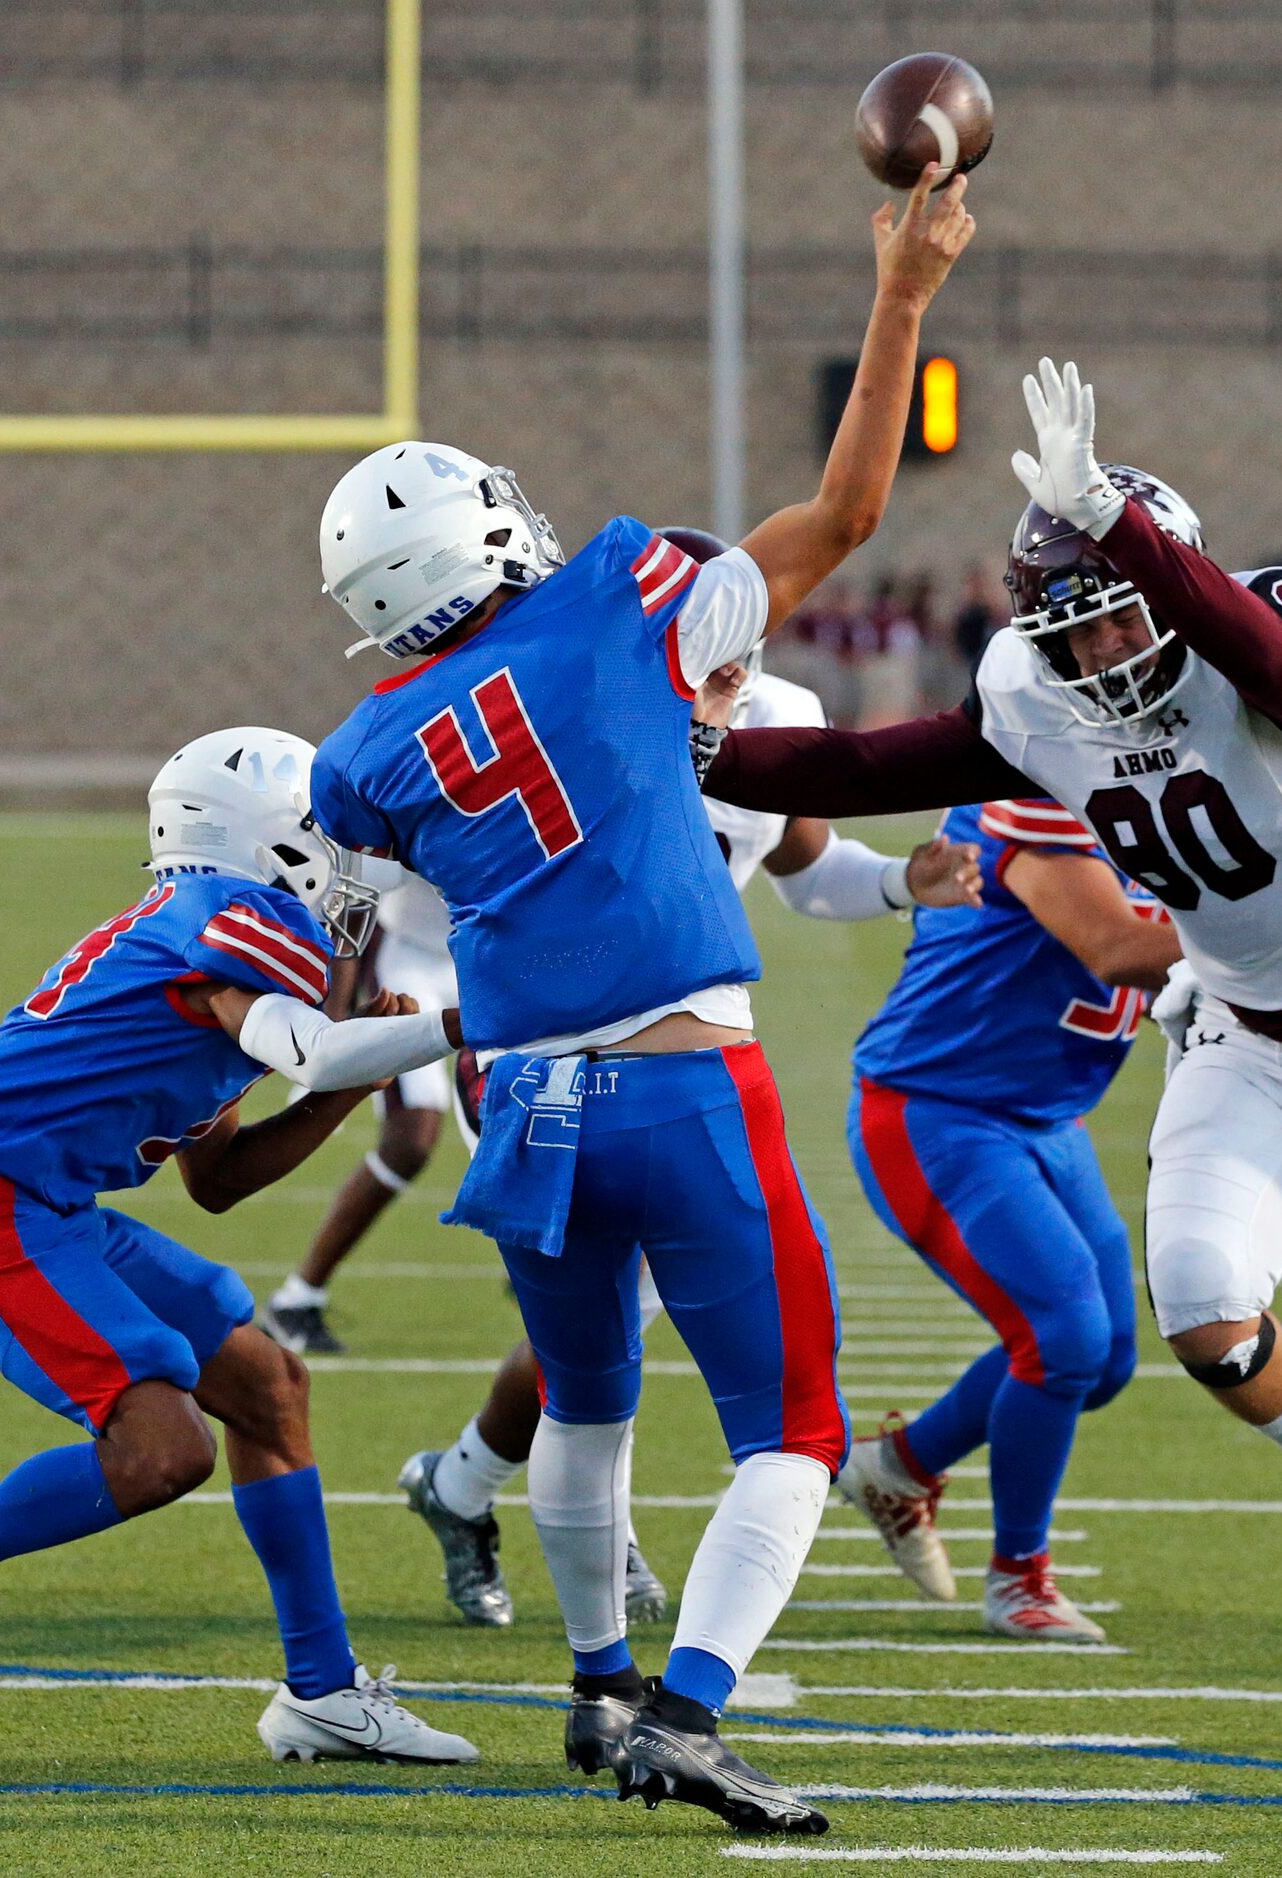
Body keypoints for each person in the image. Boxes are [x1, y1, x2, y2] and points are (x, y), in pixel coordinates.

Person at [696, 357, 1282, 1760]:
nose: (1102, 655)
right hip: (1241, 1033)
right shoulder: (1034, 704)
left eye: (1124, 619)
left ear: (1172, 590)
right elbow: (862, 769)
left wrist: (1114, 519)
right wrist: (699, 750)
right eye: (1077, 631)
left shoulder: (1267, 641)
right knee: (1199, 1309)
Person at [307, 167, 975, 1833]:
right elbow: (846, 515)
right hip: (682, 1081)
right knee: (796, 1431)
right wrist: (902, 291)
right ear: (486, 534)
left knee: (585, 1402)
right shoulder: (623, 593)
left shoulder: (369, 749)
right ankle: (684, 1710)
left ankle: (600, 1679)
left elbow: (353, 912)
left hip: (524, 1103)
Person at [0, 728, 478, 1765]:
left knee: (268, 1390)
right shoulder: (239, 919)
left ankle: (320, 1692)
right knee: (163, 1450)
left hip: (48, 1205)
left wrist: (356, 1082)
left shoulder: (217, 939)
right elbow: (308, 1048)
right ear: (277, 839)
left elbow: (218, 1181)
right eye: (327, 832)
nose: (352, 854)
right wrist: (470, 1021)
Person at [401, 568, 982, 1634]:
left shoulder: (771, 721)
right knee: (602, 1309)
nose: (713, 666)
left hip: (676, 1057)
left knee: (623, 1304)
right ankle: (552, 1521)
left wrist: (906, 880)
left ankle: (466, 1486)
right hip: (541, 1044)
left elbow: (807, 870)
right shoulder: (570, 716)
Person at [838, 794, 1178, 1639]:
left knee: (1099, 1363)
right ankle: (1018, 1578)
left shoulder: (1163, 785)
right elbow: (1122, 947)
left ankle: (897, 1469)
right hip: (934, 1110)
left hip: (1044, 1116)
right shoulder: (1037, 794)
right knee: (1061, 1337)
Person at [261, 874, 456, 1355]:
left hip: (500, 962)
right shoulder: (413, 796)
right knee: (412, 1137)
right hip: (409, 957)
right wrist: (331, 1026)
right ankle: (297, 1298)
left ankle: (552, 1253)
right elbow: (354, 893)